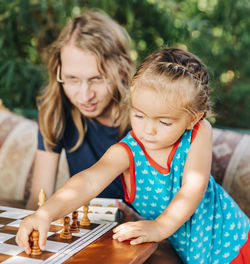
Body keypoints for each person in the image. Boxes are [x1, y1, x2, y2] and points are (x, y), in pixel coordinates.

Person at [17, 47, 250, 263]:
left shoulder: (199, 132)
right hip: (194, 256)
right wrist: (45, 213)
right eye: (139, 115)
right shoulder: (127, 152)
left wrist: (159, 227)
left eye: (164, 121)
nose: (148, 129)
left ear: (193, 118)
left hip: (235, 244)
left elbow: (193, 188)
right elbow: (88, 181)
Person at [26, 9, 134, 210]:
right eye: (72, 79)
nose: (84, 96)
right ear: (58, 71)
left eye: (97, 79)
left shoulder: (146, 112)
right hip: (90, 228)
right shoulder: (55, 105)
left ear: (121, 70)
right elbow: (40, 197)